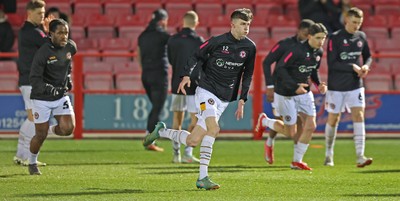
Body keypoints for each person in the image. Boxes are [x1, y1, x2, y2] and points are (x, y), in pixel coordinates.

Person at [143, 8, 256, 190]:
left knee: (193, 141)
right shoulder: (217, 42)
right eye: (243, 24)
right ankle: (203, 177)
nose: (246, 28)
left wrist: (242, 99)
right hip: (206, 91)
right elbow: (196, 55)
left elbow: (248, 73)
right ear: (233, 24)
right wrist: (186, 75)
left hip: (224, 99)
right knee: (214, 128)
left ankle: (161, 132)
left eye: (248, 24)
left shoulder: (250, 47)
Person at [256, 23, 328, 171]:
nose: (321, 41)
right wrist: (294, 86)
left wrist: (319, 84)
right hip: (286, 93)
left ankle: (297, 161)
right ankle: (266, 121)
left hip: (305, 93)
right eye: (318, 38)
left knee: (311, 125)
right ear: (309, 36)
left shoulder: (319, 52)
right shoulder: (295, 50)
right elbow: (281, 68)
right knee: (290, 132)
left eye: (323, 38)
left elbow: (313, 70)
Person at [324, 7, 373, 168]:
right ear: (346, 20)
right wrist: (352, 66)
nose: (357, 26)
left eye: (359, 23)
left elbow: (368, 56)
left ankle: (360, 155)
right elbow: (332, 63)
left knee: (359, 115)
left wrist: (365, 66)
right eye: (354, 22)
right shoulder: (335, 38)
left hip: (355, 85)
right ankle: (329, 154)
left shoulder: (361, 36)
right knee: (334, 118)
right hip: (336, 86)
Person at [28, 18, 76, 175]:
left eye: (66, 33)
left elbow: (67, 65)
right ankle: (32, 162)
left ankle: (50, 129)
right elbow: (34, 79)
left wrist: (68, 78)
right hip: (41, 98)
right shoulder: (42, 53)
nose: (64, 36)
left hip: (61, 96)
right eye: (60, 33)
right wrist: (49, 89)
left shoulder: (71, 47)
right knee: (40, 136)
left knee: (68, 128)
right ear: (51, 34)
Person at [14, 0, 53, 167]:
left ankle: (21, 154)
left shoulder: (30, 31)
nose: (42, 16)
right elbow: (52, 46)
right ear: (29, 13)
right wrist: (51, 30)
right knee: (36, 119)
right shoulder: (32, 32)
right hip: (32, 81)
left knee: (33, 118)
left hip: (29, 81)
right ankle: (26, 156)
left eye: (43, 13)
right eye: (39, 13)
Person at [167, 11, 204, 164]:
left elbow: (170, 60)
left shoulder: (173, 40)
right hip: (193, 85)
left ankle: (176, 155)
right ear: (196, 23)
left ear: (183, 22)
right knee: (195, 119)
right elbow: (202, 62)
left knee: (177, 120)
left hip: (177, 83)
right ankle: (188, 152)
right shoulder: (199, 41)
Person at [137, 8, 170, 152]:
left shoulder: (142, 35)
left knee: (155, 108)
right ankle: (148, 139)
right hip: (159, 75)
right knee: (157, 108)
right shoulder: (163, 35)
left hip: (146, 74)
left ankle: (151, 136)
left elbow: (138, 55)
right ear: (163, 21)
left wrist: (145, 69)